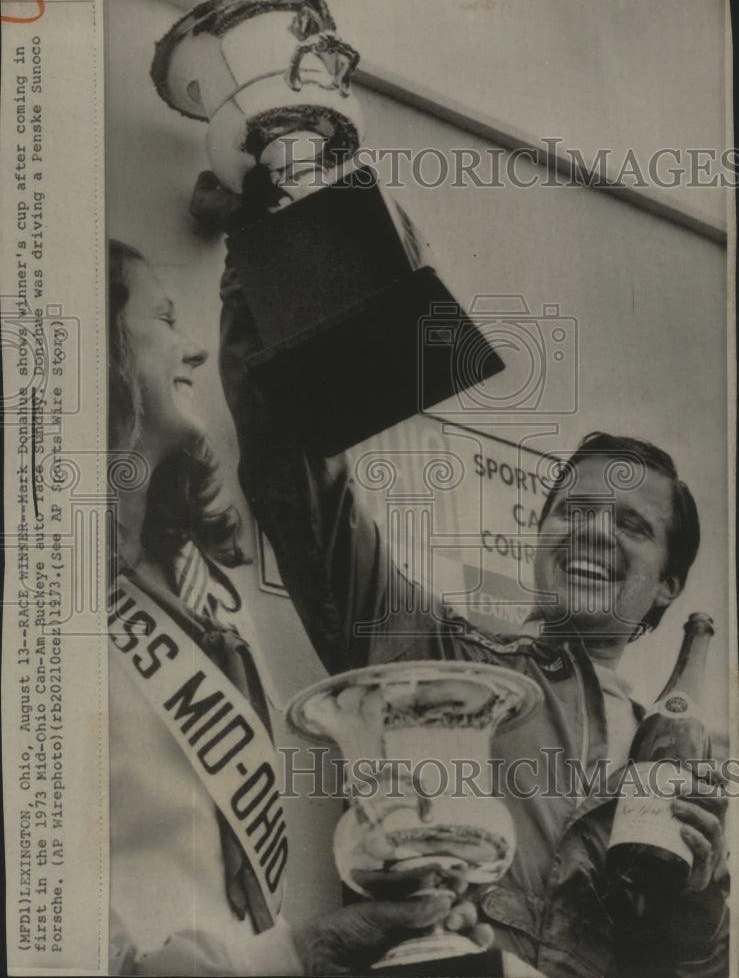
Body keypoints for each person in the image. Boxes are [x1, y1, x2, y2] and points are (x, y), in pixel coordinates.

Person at [196, 176, 729, 978]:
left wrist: (700, 891)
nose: (592, 530)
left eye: (629, 523)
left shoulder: (676, 747)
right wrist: (281, 249)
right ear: (539, 535)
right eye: (574, 509)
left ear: (665, 586)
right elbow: (299, 485)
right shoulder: (442, 652)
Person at [105, 239, 494, 977]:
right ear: (97, 351)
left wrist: (309, 952)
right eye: (163, 318)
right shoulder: (37, 603)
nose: (189, 350)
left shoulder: (208, 585)